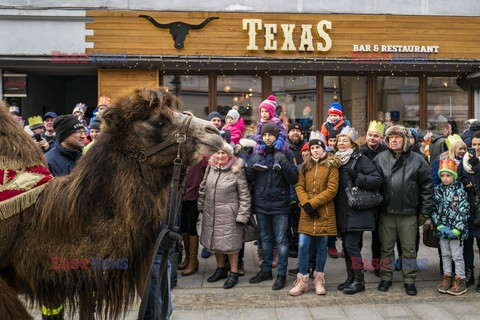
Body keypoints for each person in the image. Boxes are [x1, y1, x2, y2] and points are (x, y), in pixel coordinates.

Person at [373, 125, 433, 296]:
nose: (393, 140)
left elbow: (427, 188)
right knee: (386, 248)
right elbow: (373, 185)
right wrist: (375, 208)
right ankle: (386, 277)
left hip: (408, 212)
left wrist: (424, 211)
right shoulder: (380, 158)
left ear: (405, 140)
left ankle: (409, 280)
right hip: (386, 212)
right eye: (390, 137)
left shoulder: (418, 160)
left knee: (408, 249)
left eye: (397, 137)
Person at [247, 122, 299, 291]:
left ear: (277, 136)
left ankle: (281, 274)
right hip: (262, 203)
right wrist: (250, 164)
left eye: (270, 135)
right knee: (266, 240)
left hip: (280, 204)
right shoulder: (257, 152)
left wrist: (283, 161)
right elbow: (249, 178)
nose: (267, 137)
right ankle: (266, 270)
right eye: (265, 135)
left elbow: (294, 179)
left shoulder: (286, 152)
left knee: (282, 241)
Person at [289, 137, 340, 296]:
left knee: (321, 246)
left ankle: (318, 278)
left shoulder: (331, 166)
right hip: (307, 212)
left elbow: (332, 189)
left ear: (323, 149)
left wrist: (313, 203)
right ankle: (303, 280)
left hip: (324, 211)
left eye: (318, 147)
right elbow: (299, 186)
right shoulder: (305, 166)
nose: (315, 150)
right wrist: (306, 204)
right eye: (312, 148)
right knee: (303, 245)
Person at [334, 127, 382, 294]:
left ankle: (359, 281)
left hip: (357, 210)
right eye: (339, 140)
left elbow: (377, 179)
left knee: (351, 245)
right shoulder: (336, 160)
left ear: (352, 144)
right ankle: (351, 278)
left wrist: (357, 177)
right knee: (347, 247)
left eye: (344, 140)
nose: (341, 143)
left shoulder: (360, 159)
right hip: (343, 211)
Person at [198, 142, 251, 289]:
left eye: (223, 153)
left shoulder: (236, 169)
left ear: (230, 155)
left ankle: (233, 272)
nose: (220, 156)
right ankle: (220, 269)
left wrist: (242, 214)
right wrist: (201, 204)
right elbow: (203, 186)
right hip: (211, 211)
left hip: (229, 214)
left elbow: (244, 194)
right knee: (215, 243)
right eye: (218, 153)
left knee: (231, 246)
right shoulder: (211, 167)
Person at [432, 159, 469, 295]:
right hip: (443, 230)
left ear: (453, 176)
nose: (445, 178)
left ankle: (460, 280)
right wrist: (439, 225)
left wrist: (457, 229)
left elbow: (463, 210)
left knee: (457, 256)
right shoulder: (438, 191)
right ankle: (447, 278)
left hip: (456, 231)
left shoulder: (459, 191)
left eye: (448, 175)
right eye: (442, 176)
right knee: (445, 254)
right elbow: (434, 209)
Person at [360, 121, 387, 276]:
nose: (372, 138)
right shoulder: (360, 151)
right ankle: (357, 266)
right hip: (362, 198)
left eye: (376, 136)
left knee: (379, 238)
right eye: (370, 135)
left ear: (381, 138)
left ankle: (378, 266)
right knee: (358, 235)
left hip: (379, 199)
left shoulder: (386, 153)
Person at [458, 130, 480, 292]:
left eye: (479, 145)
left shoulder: (475, 163)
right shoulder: (464, 162)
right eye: (473, 145)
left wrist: (477, 166)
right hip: (467, 209)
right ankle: (469, 273)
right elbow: (457, 178)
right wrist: (464, 178)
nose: (476, 148)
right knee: (466, 245)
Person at [178, 163, 204, 276]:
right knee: (183, 227)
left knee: (191, 226)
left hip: (194, 196)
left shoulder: (199, 160)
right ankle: (188, 258)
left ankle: (193, 261)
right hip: (182, 196)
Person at [253, 95, 289, 171]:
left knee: (279, 149)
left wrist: (280, 140)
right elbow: (257, 134)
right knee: (259, 149)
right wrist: (260, 140)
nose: (264, 113)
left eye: (266, 111)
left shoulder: (276, 121)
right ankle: (261, 162)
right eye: (262, 111)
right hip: (264, 142)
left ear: (271, 111)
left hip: (276, 141)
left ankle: (276, 162)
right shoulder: (260, 123)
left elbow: (283, 131)